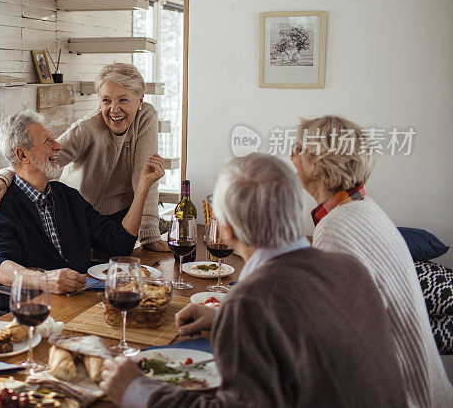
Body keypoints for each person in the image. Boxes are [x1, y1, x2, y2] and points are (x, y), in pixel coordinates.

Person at [100, 153, 407, 408]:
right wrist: (222, 318)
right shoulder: (349, 268)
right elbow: (300, 339)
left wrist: (137, 390)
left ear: (227, 229)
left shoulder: (252, 301)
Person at [291, 115, 453, 407]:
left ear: (317, 164)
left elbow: (333, 337)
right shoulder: (361, 206)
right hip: (429, 391)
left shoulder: (336, 225)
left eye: (298, 148)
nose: (291, 155)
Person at [0, 111, 164, 308]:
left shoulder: (66, 196)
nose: (58, 146)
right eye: (47, 141)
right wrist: (45, 280)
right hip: (29, 312)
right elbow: (1, 268)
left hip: (79, 305)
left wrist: (143, 186)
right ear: (22, 154)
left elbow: (119, 244)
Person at [0, 63, 169, 252]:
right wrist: (3, 177)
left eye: (123, 100)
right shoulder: (87, 128)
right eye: (106, 100)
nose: (114, 109)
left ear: (140, 99)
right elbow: (38, 159)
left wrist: (150, 234)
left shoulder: (146, 117)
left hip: (122, 215)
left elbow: (144, 176)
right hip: (84, 214)